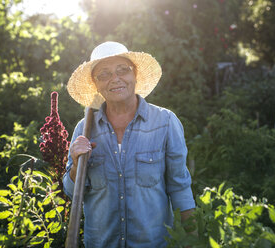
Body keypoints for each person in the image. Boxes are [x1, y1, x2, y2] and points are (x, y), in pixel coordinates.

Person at [63, 41, 195, 248]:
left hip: (154, 244)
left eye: (122, 70)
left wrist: (192, 240)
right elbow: (72, 192)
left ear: (134, 74)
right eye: (104, 75)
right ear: (96, 85)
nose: (115, 79)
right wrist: (76, 165)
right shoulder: (84, 130)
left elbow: (180, 187)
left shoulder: (165, 122)